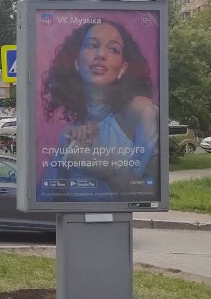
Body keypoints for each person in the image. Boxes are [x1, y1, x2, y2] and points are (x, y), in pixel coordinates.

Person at [39, 19, 159, 202]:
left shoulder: (141, 111)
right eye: (92, 45)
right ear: (77, 60)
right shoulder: (73, 134)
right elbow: (46, 199)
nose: (101, 54)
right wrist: (66, 160)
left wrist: (103, 166)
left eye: (113, 49)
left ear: (123, 68)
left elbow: (150, 193)